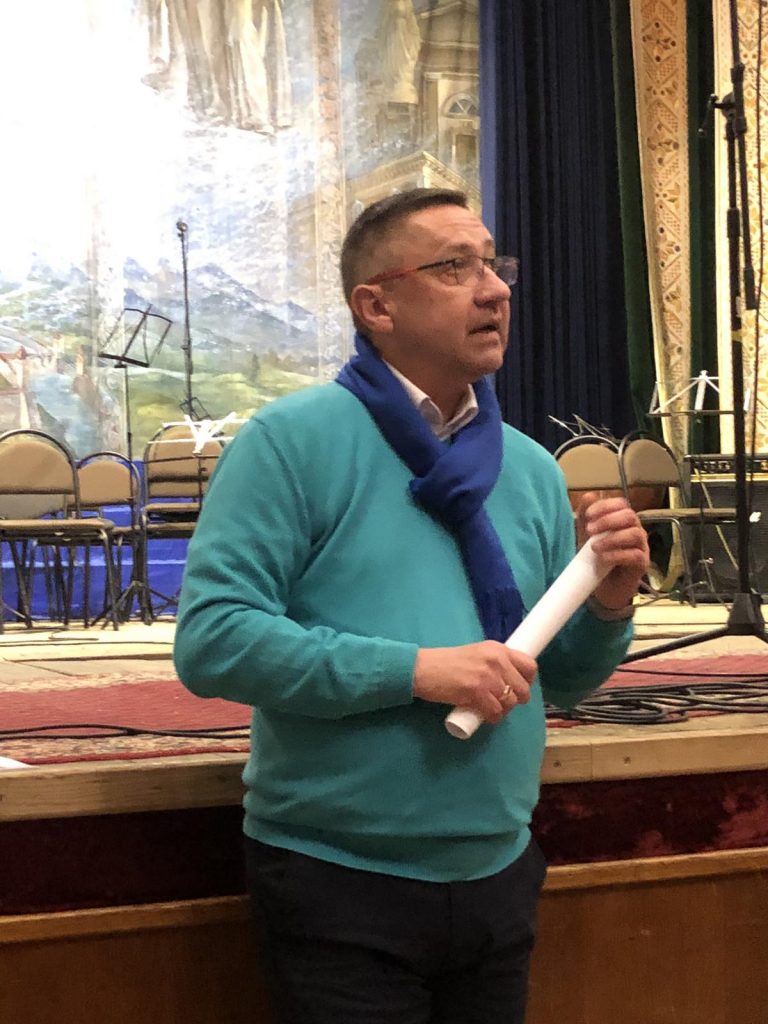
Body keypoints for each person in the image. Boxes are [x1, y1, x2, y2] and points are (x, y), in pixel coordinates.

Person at [174, 188, 649, 1023]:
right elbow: (214, 640)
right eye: (454, 267)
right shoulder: (291, 442)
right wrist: (417, 671)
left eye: (493, 265)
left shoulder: (529, 469)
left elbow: (561, 680)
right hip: (339, 878)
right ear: (377, 306)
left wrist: (609, 601)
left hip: (499, 868)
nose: (494, 289)